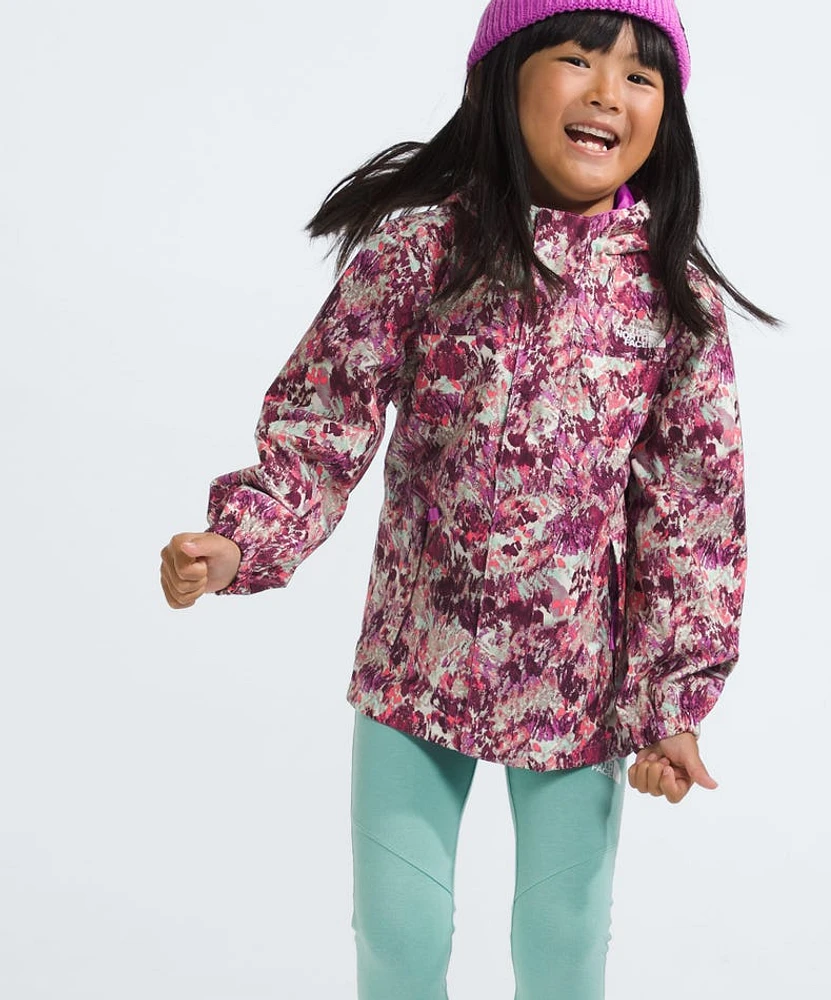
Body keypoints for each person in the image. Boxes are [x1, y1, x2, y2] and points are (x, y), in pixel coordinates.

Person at [159, 1, 779, 996]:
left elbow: (692, 517)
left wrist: (672, 700)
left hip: (575, 686)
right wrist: (240, 541)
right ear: (499, 77)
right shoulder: (422, 253)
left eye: (640, 77)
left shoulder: (674, 301)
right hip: (415, 665)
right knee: (397, 939)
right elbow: (325, 425)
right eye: (576, 60)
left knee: (563, 950)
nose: (607, 94)